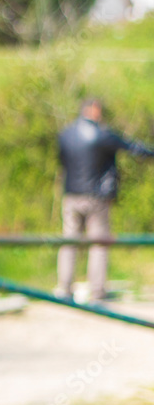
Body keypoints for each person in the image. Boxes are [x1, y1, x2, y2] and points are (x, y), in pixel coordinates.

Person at [56, 98, 154, 302]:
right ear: (94, 110)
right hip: (96, 197)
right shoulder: (102, 135)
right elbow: (131, 147)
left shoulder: (66, 134)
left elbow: (62, 161)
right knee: (99, 244)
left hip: (71, 195)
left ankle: (64, 288)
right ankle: (97, 291)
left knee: (69, 242)